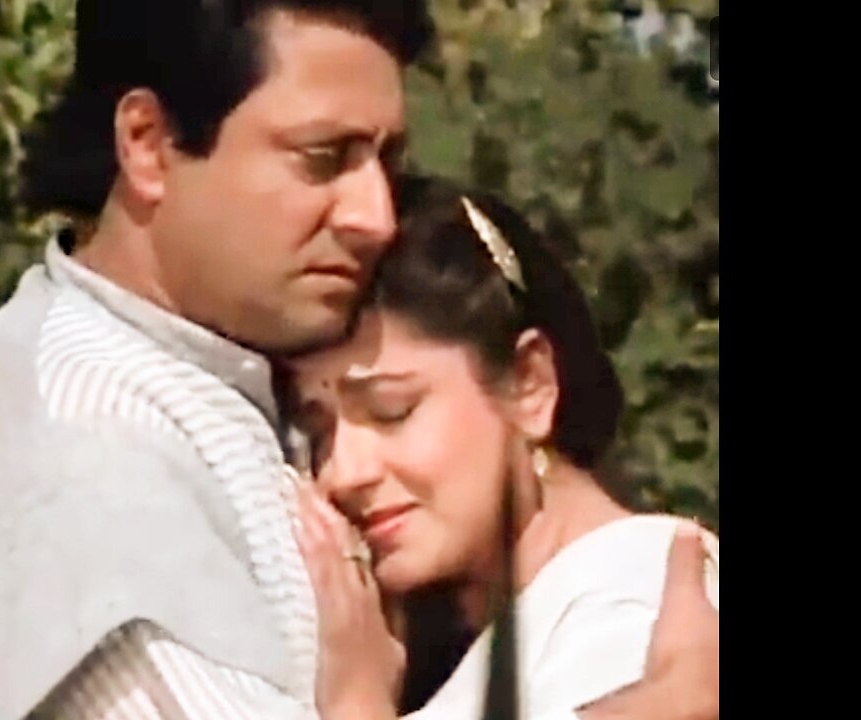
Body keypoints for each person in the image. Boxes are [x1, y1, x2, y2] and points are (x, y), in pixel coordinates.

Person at [0, 2, 721, 718]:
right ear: (148, 144)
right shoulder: (72, 441)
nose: (375, 215)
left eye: (387, 161)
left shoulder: (223, 391)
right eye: (323, 159)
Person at [289, 175, 719, 720]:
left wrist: (357, 707)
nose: (342, 472)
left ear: (529, 384)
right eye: (318, 434)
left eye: (392, 409)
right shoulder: (513, 628)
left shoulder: (631, 616)